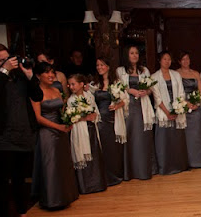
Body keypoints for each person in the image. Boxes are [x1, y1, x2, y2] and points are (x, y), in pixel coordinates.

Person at [0, 43, 44, 217]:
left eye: (8, 58)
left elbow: (38, 95)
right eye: (1, 60)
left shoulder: (19, 76)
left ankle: (22, 216)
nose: (8, 62)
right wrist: (3, 71)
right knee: (1, 183)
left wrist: (28, 75)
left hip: (24, 135)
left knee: (21, 180)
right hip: (0, 138)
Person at [31, 62, 79, 210]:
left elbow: (62, 111)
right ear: (38, 76)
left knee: (62, 163)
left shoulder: (57, 91)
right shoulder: (35, 92)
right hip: (47, 132)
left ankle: (66, 195)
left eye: (52, 72)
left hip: (61, 131)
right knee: (50, 165)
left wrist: (69, 120)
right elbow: (38, 117)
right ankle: (52, 199)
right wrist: (57, 126)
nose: (51, 75)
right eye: (47, 73)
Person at [117, 45, 156, 180]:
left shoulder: (144, 70)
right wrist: (130, 91)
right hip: (128, 107)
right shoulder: (120, 70)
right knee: (130, 136)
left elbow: (151, 88)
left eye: (136, 53)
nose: (134, 55)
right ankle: (130, 172)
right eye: (131, 53)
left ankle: (143, 170)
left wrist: (147, 92)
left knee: (142, 137)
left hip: (142, 106)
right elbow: (118, 87)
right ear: (126, 55)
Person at [67, 74, 107, 194]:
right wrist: (84, 117)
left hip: (91, 129)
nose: (71, 87)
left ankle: (97, 184)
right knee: (82, 153)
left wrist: (91, 116)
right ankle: (85, 186)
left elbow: (95, 112)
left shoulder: (89, 96)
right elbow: (72, 118)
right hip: (80, 131)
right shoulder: (71, 100)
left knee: (94, 154)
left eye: (73, 84)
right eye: (69, 84)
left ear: (81, 84)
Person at [152, 51, 189, 174]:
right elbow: (157, 98)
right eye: (164, 59)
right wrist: (167, 112)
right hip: (164, 112)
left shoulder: (176, 75)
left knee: (177, 140)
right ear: (160, 61)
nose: (167, 61)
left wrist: (178, 108)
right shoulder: (154, 77)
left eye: (169, 59)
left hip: (177, 111)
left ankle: (179, 166)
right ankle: (165, 167)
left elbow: (181, 92)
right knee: (164, 141)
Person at [92, 57, 126, 186]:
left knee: (113, 149)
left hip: (113, 120)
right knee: (103, 148)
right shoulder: (95, 84)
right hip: (100, 121)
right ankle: (104, 177)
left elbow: (125, 100)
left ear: (108, 67)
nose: (99, 67)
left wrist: (117, 105)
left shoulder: (116, 82)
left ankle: (115, 175)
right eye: (97, 65)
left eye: (102, 64)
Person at [177, 51, 201, 168]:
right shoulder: (176, 74)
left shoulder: (196, 73)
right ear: (179, 61)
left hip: (196, 107)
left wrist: (197, 102)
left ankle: (199, 160)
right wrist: (186, 103)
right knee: (184, 136)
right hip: (183, 107)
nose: (186, 61)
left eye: (188, 59)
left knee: (197, 135)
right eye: (183, 59)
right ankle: (186, 161)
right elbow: (176, 92)